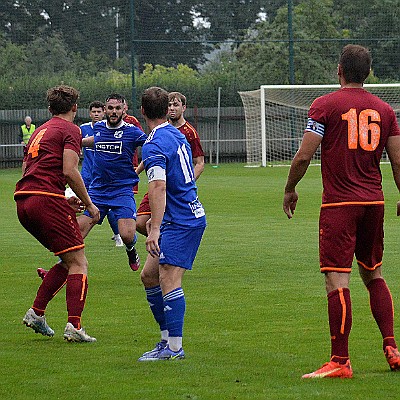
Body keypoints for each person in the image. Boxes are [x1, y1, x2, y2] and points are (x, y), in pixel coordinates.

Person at [283, 44, 400, 378]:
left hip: (340, 204)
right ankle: (391, 347)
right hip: (373, 203)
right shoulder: (384, 110)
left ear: (339, 70)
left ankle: (340, 361)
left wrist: (291, 188)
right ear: (369, 72)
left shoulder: (324, 106)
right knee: (373, 273)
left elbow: (305, 155)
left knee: (336, 278)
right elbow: (398, 159)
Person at [15, 85, 100, 342]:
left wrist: (63, 199)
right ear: (75, 107)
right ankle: (74, 326)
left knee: (68, 259)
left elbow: (29, 169)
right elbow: (69, 170)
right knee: (79, 262)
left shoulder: (39, 130)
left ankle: (37, 313)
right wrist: (89, 204)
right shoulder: (70, 129)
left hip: (24, 201)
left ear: (50, 109)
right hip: (45, 200)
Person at [137, 87, 206, 361]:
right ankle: (166, 340)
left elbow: (158, 186)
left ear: (141, 111)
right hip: (182, 217)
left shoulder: (154, 143)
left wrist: (154, 229)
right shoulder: (177, 133)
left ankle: (175, 348)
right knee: (149, 276)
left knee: (168, 278)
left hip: (182, 220)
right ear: (167, 110)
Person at [78, 93, 147, 272]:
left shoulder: (132, 131)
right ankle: (66, 268)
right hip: (97, 191)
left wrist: (138, 169)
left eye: (118, 108)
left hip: (122, 191)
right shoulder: (99, 127)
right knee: (77, 234)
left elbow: (150, 147)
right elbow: (98, 141)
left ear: (124, 110)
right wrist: (79, 142)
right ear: (105, 110)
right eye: (110, 108)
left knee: (127, 234)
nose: (114, 112)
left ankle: (131, 250)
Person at [136, 91, 205, 236]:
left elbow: (199, 163)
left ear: (184, 108)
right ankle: (160, 241)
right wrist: (134, 174)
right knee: (141, 223)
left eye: (176, 105)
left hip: (172, 187)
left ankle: (161, 240)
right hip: (160, 182)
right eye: (170, 105)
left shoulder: (187, 133)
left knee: (163, 226)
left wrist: (186, 183)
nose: (173, 108)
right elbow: (152, 157)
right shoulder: (161, 132)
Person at [80, 101, 124, 247]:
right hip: (86, 175)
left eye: (99, 112)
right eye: (94, 112)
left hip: (103, 176)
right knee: (81, 206)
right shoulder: (83, 128)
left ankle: (118, 235)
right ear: (90, 113)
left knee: (108, 207)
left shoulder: (108, 129)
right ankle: (73, 239)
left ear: (103, 112)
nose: (97, 114)